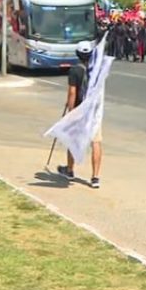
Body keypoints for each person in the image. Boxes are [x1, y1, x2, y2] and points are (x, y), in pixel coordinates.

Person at [57, 41, 102, 189]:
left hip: (79, 110)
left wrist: (70, 112)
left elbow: (72, 93)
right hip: (94, 111)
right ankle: (95, 177)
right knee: (95, 142)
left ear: (77, 54)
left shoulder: (75, 70)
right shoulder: (97, 69)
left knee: (73, 139)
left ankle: (70, 170)